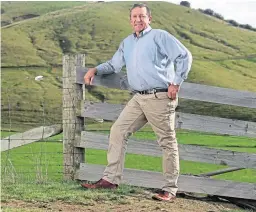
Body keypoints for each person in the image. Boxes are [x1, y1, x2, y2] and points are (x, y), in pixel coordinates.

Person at [82, 3, 192, 202]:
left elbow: (184, 56)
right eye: (134, 16)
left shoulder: (160, 36)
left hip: (159, 97)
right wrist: (95, 70)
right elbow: (114, 65)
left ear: (149, 18)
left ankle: (169, 189)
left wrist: (176, 82)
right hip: (138, 98)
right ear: (130, 20)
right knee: (118, 131)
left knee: (166, 142)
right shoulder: (127, 43)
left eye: (142, 16)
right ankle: (110, 180)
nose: (138, 20)